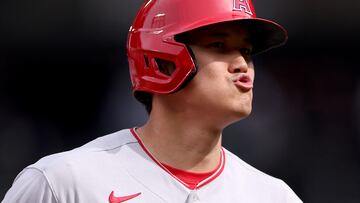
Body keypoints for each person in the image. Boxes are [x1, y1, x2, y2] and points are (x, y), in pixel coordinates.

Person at [2, 0, 302, 202]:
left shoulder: (274, 196)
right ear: (162, 60)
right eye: (219, 45)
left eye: (247, 51)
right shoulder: (63, 182)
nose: (241, 64)